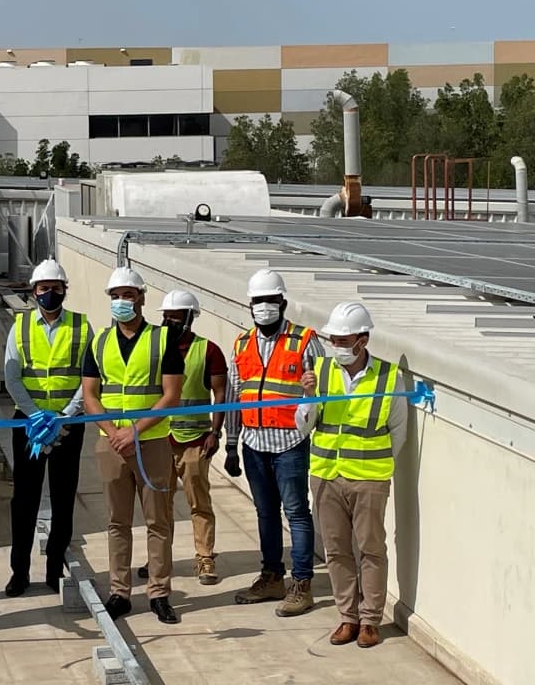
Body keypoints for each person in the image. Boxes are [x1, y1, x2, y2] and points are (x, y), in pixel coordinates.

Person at [297, 302, 406, 649]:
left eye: (344, 340)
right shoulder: (321, 371)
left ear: (363, 340)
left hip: (369, 478)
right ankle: (348, 617)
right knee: (336, 550)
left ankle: (371, 619)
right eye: (334, 340)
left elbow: (398, 432)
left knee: (371, 549)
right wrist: (308, 396)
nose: (338, 346)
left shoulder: (389, 377)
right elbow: (304, 427)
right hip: (326, 474)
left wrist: (374, 468)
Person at [82, 266, 184, 625]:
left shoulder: (163, 339)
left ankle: (159, 592)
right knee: (117, 521)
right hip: (111, 443)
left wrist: (135, 431)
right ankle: (119, 592)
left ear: (142, 297)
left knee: (158, 520)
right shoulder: (99, 342)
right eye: (116, 296)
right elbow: (90, 395)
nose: (122, 301)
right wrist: (113, 431)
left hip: (151, 442)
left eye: (128, 294)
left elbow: (171, 395)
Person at [225, 268, 325, 617]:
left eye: (270, 300)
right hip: (253, 443)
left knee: (296, 513)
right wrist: (231, 445)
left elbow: (322, 392)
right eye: (258, 301)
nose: (263, 307)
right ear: (249, 304)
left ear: (282, 303)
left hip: (290, 443)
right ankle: (271, 576)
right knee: (265, 513)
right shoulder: (241, 343)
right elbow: (234, 397)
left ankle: (302, 584)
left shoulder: (305, 340)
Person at [4, 259, 91, 597]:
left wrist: (65, 416)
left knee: (63, 498)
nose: (50, 293)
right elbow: (12, 377)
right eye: (44, 288)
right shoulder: (20, 326)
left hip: (68, 427)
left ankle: (54, 571)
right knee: (23, 500)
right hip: (29, 426)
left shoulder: (83, 327)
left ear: (64, 291)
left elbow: (88, 379)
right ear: (34, 291)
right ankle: (19, 572)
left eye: (56, 288)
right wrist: (36, 416)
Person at [139, 290, 227, 584]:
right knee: (159, 506)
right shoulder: (155, 347)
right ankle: (159, 559)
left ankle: (205, 558)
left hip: (195, 441)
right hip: (161, 439)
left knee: (198, 503)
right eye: (166, 317)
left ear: (190, 318)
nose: (169, 322)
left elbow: (221, 393)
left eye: (176, 317)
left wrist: (215, 432)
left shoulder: (208, 350)